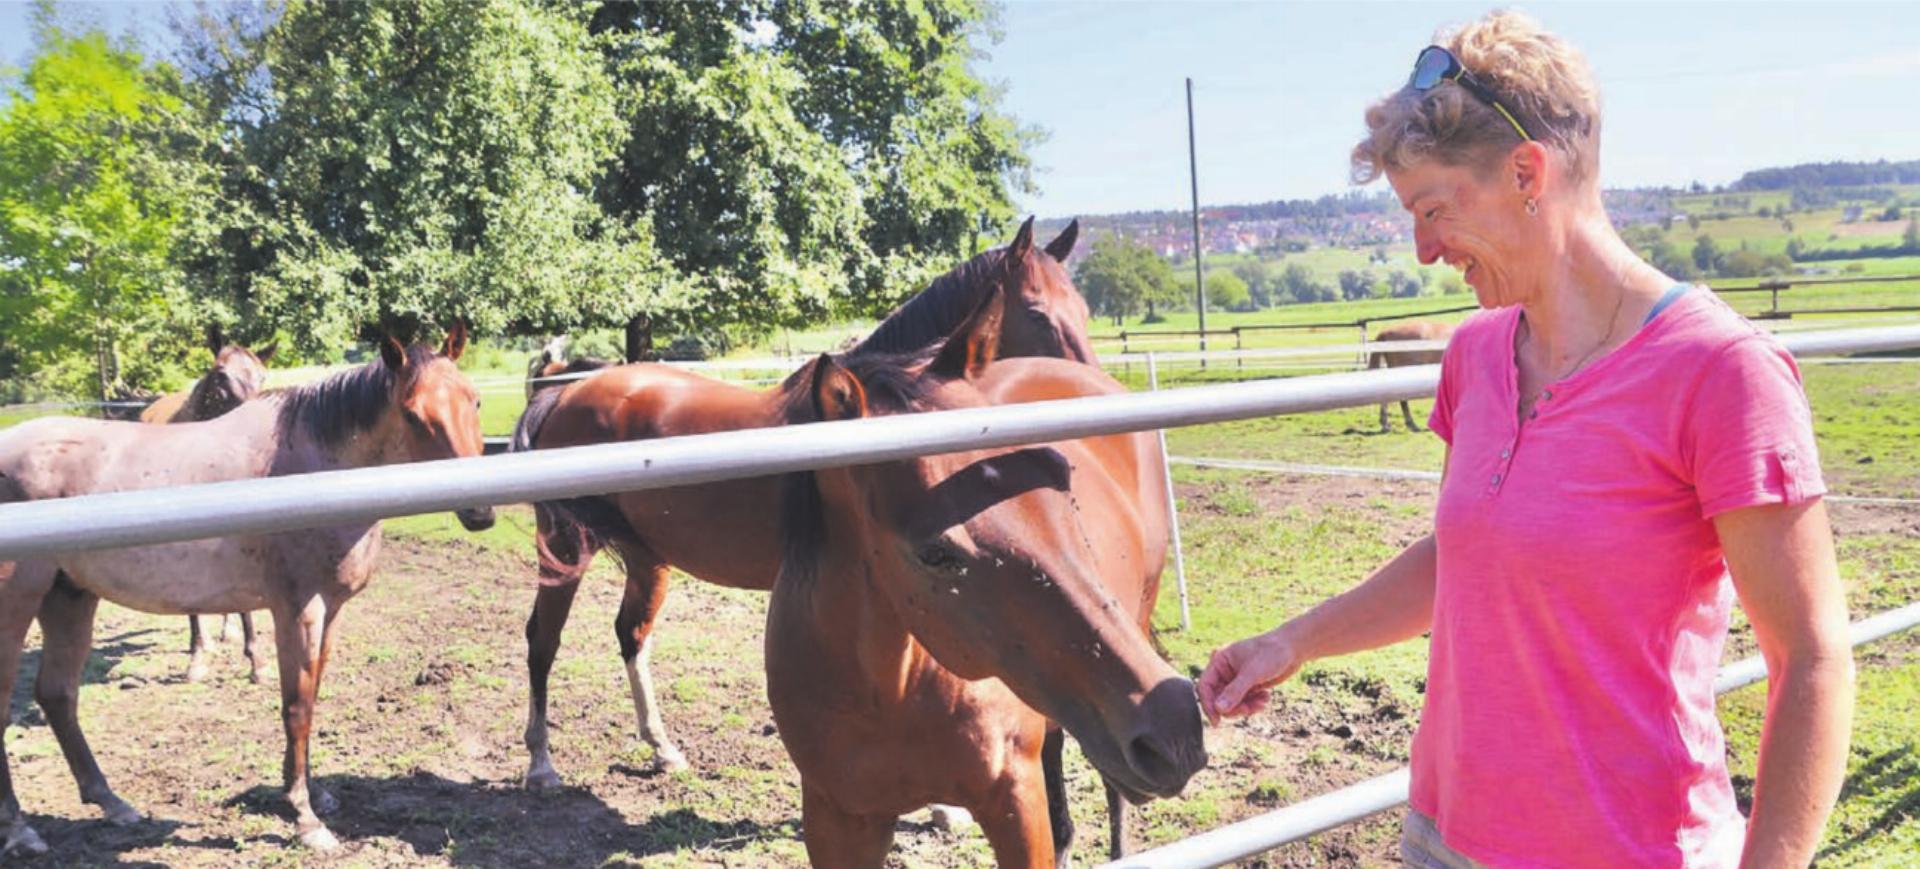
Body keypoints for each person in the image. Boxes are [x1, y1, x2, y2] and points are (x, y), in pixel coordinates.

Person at [1196, 11, 1854, 868]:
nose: (1424, 250)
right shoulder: (1475, 355)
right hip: (1445, 837)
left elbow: (1811, 659)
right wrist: (1295, 640)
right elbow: (1466, 555)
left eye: (1432, 209)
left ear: (1525, 171)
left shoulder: (1722, 371)